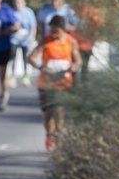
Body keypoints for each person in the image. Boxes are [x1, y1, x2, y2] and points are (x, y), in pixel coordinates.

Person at [28, 15, 81, 151]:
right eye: (51, 30)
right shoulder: (46, 40)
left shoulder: (71, 42)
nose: (53, 34)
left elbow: (78, 61)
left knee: (60, 110)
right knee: (48, 113)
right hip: (46, 83)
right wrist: (42, 68)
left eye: (56, 31)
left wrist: (72, 68)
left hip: (63, 82)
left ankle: (59, 137)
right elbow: (31, 58)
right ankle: (49, 135)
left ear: (63, 30)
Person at [69, 2, 103, 83]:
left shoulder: (92, 11)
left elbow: (99, 24)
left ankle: (84, 87)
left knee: (84, 68)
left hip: (87, 45)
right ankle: (73, 88)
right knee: (74, 68)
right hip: (75, 44)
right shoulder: (72, 8)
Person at [10, 0, 37, 87]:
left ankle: (26, 77)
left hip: (26, 40)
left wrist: (32, 37)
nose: (18, 4)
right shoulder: (12, 13)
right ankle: (12, 77)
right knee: (13, 58)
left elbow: (33, 26)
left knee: (25, 58)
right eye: (17, 2)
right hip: (14, 40)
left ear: (24, 3)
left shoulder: (29, 12)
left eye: (20, 2)